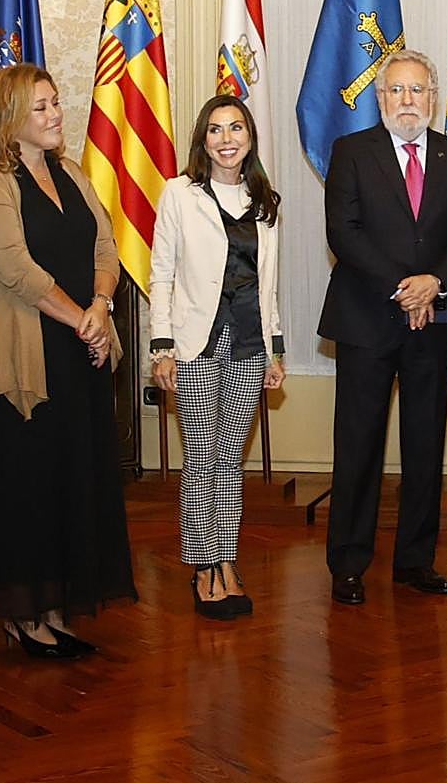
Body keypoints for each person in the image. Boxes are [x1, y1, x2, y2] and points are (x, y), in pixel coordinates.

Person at [0, 64, 137, 656]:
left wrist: (103, 304)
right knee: (26, 484)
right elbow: (16, 270)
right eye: (41, 107)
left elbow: (105, 245)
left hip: (81, 350)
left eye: (56, 102)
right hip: (25, 361)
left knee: (71, 479)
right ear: (9, 118)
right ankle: (23, 613)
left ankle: (56, 605)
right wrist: (83, 317)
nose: (56, 114)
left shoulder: (72, 173)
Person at [319, 49, 447, 606]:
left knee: (424, 445)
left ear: (433, 99)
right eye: (396, 91)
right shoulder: (351, 152)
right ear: (380, 98)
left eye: (417, 91)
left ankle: (416, 561)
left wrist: (433, 282)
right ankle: (348, 564)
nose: (407, 101)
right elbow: (344, 232)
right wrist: (406, 284)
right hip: (368, 317)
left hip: (431, 321)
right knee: (358, 446)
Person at [149, 94, 285, 620]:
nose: (226, 139)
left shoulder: (265, 201)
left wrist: (275, 348)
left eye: (236, 128)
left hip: (250, 345)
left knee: (229, 461)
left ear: (250, 137)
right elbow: (162, 273)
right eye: (215, 130)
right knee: (203, 460)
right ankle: (205, 566)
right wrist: (161, 345)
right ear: (202, 141)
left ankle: (226, 561)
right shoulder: (179, 194)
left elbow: (270, 285)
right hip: (197, 345)